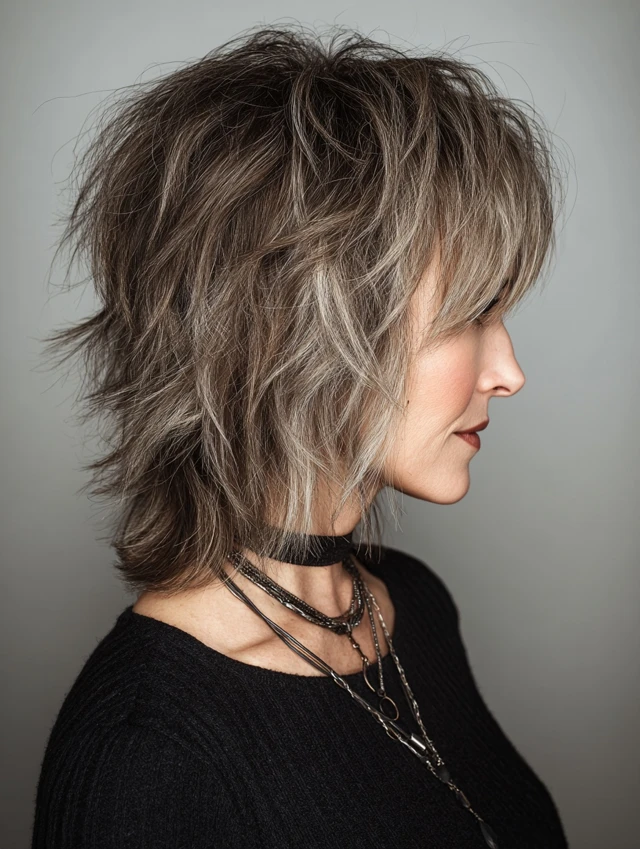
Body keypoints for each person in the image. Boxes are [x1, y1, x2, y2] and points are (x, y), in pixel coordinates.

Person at [31, 25, 569, 849]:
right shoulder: (146, 753)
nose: (509, 372)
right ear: (300, 329)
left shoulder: (414, 607)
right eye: (470, 314)